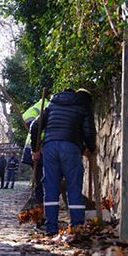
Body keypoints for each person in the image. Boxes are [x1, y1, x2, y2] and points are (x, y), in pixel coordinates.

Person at [32, 88, 96, 235]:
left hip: (50, 147)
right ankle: (76, 228)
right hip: (70, 147)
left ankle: (51, 228)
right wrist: (91, 148)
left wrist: (36, 149)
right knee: (73, 187)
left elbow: (35, 126)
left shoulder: (52, 104)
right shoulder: (83, 105)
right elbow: (89, 131)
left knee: (51, 187)